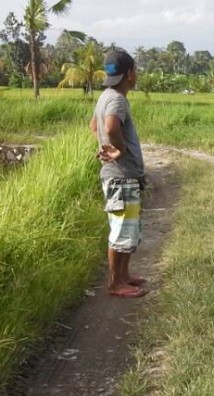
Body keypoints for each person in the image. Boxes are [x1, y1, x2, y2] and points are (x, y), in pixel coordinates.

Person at [90, 50, 147, 298]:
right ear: (129, 74)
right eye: (135, 70)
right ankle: (115, 283)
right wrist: (119, 149)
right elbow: (110, 126)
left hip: (121, 175)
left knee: (128, 229)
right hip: (121, 176)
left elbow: (94, 126)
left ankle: (124, 276)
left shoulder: (105, 96)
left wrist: (105, 147)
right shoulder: (117, 100)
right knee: (121, 230)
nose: (136, 75)